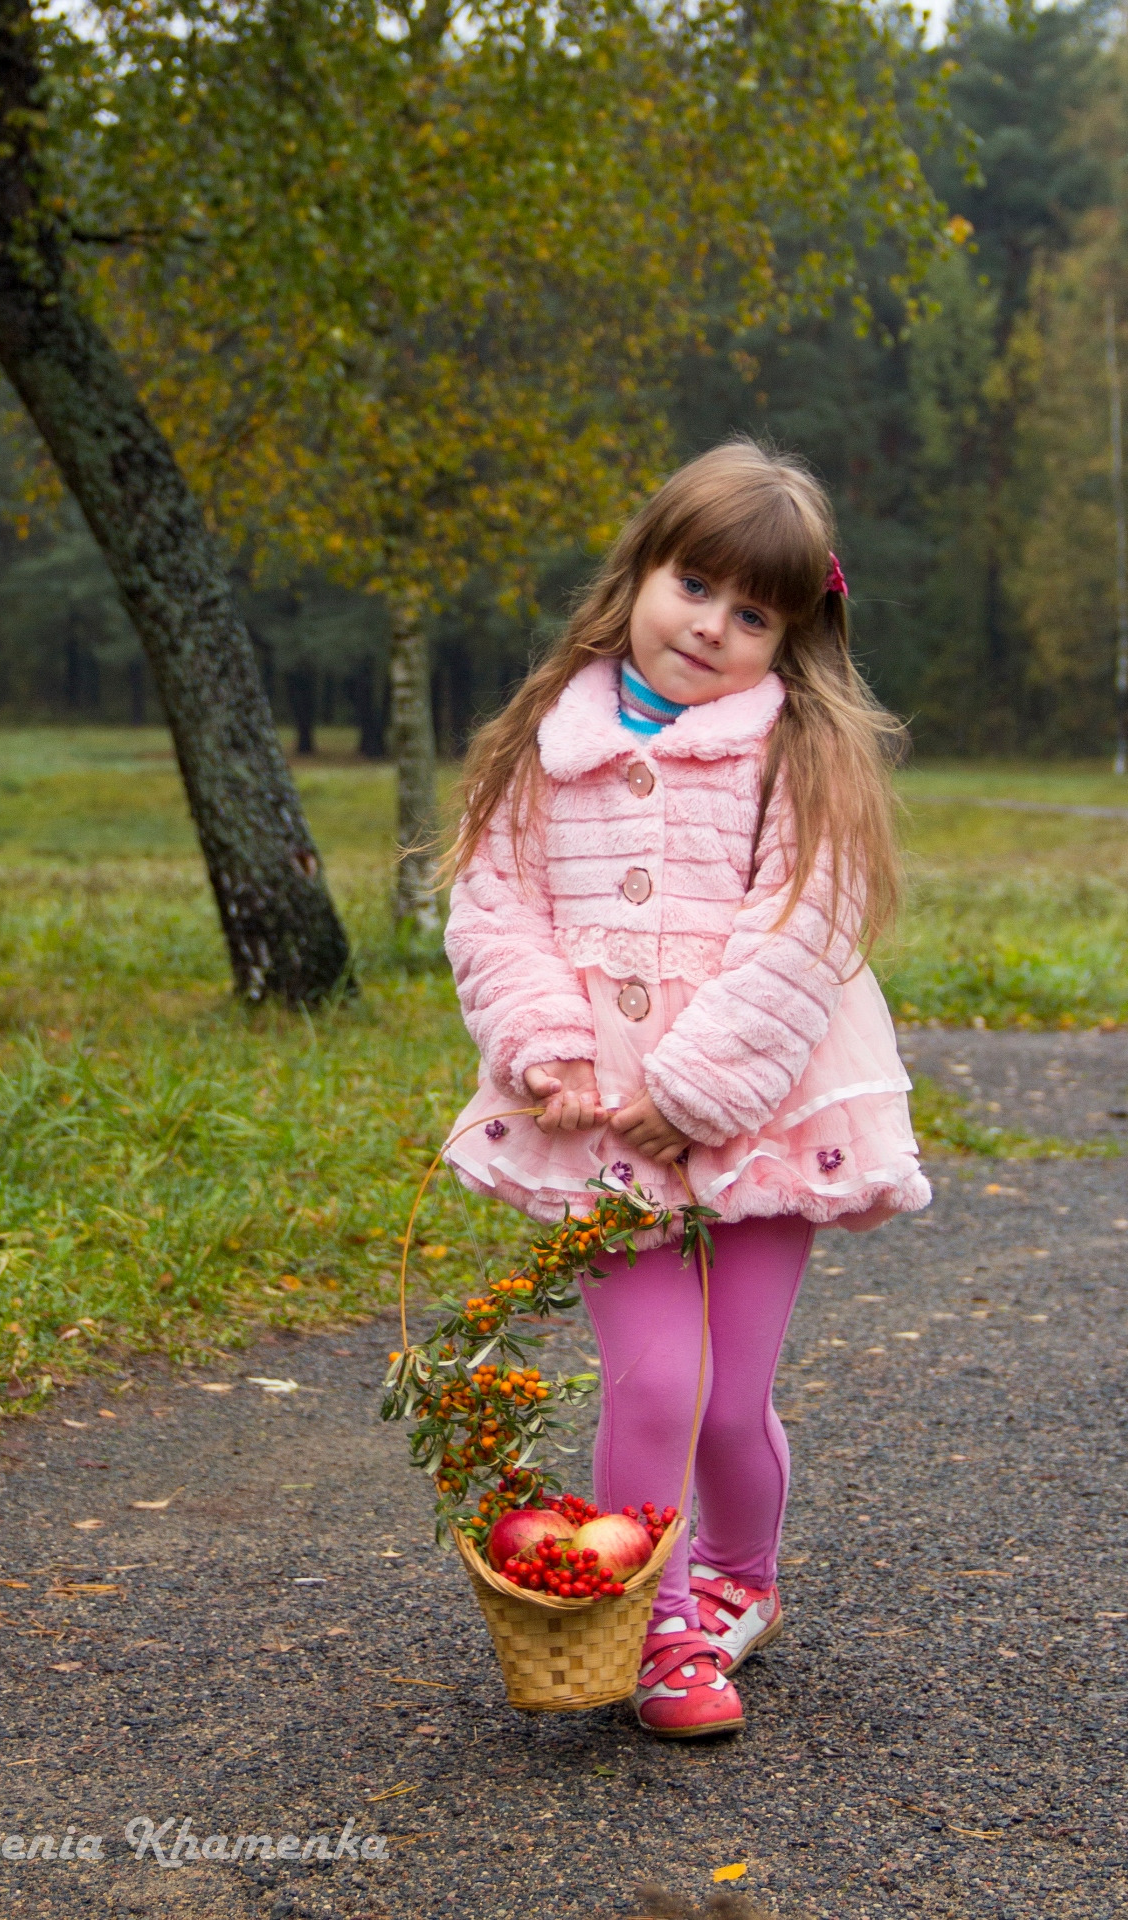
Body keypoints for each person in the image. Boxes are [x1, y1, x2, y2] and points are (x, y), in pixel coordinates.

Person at [442, 439, 930, 1738]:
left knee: (727, 1399)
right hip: (602, 1117)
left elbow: (805, 932)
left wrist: (703, 1087)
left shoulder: (795, 753)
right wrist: (547, 1045)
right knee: (654, 1382)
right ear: (640, 575)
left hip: (762, 1107)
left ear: (793, 633)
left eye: (753, 612)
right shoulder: (555, 741)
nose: (713, 627)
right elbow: (496, 906)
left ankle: (738, 1581)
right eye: (694, 586)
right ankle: (652, 1628)